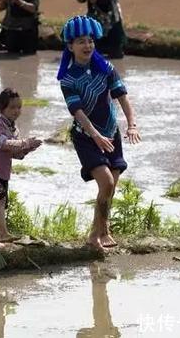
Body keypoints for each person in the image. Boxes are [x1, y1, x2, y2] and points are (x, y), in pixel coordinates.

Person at [57, 15, 141, 251]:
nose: (88, 46)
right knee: (105, 182)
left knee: (110, 185)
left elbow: (122, 97)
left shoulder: (106, 69)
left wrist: (131, 124)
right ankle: (95, 235)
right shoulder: (68, 79)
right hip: (86, 136)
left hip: (110, 133)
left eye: (90, 41)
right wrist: (95, 135)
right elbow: (77, 112)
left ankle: (103, 229)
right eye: (81, 41)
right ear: (70, 46)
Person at [0, 88, 42, 248]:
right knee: (0, 200)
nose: (16, 111)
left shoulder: (14, 128)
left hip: (2, 170)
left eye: (19, 107)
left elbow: (16, 154)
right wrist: (25, 143)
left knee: (1, 203)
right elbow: (3, 144)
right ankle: (4, 234)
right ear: (2, 107)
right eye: (12, 107)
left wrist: (28, 148)